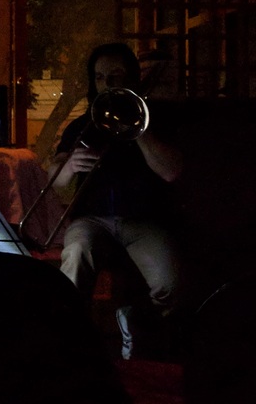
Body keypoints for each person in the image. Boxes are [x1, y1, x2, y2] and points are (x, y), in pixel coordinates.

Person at [50, 42, 184, 360]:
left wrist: (138, 129)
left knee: (171, 282)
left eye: (115, 76)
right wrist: (68, 165)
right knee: (75, 255)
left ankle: (140, 326)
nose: (107, 84)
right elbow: (55, 180)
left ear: (132, 78)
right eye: (99, 77)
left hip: (143, 219)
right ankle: (73, 346)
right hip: (91, 219)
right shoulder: (83, 124)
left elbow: (172, 172)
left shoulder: (154, 121)